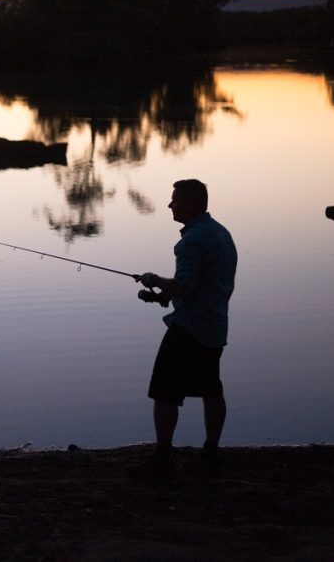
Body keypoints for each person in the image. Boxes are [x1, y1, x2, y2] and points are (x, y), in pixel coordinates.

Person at [131, 179, 237, 479]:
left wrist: (155, 280)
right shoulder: (220, 233)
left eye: (175, 200)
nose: (170, 205)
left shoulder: (191, 242)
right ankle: (211, 454)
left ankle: (162, 460)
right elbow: (206, 281)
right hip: (215, 324)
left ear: (190, 204)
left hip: (189, 328)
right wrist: (166, 296)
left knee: (164, 392)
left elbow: (187, 288)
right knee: (211, 389)